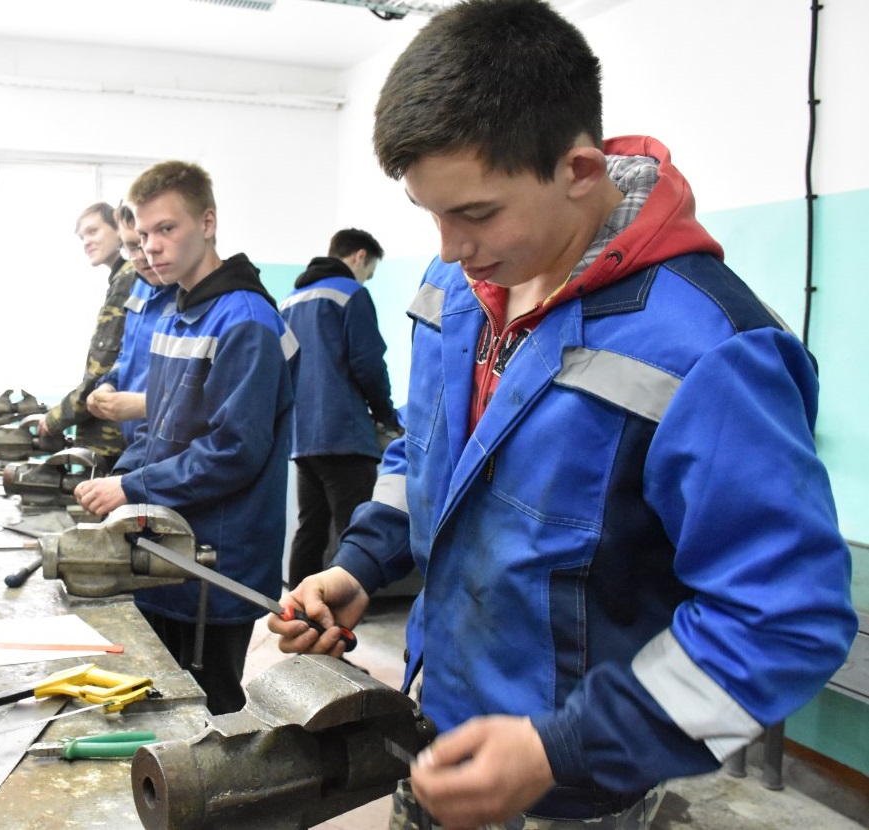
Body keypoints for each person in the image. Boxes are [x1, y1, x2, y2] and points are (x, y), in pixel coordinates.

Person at [267, 2, 857, 828]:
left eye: (476, 213)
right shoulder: (454, 289)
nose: (447, 247)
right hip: (434, 731)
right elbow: (425, 456)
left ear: (578, 169)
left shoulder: (707, 351)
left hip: (578, 792)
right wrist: (359, 565)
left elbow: (783, 617)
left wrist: (566, 748)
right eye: (430, 213)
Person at [74, 161, 297, 715]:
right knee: (158, 699)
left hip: (213, 562)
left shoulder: (245, 321)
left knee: (205, 708)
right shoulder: (178, 314)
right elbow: (162, 428)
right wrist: (117, 481)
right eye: (144, 233)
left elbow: (234, 452)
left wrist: (133, 488)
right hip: (168, 546)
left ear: (208, 223)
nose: (151, 246)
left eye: (167, 229)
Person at [279, 228, 397, 589]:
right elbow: (368, 363)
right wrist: (386, 416)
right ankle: (348, 607)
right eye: (370, 272)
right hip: (345, 436)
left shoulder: (289, 301)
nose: (366, 279)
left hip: (303, 439)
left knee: (310, 529)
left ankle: (296, 607)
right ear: (360, 257)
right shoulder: (351, 293)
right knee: (356, 531)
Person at [39, 202, 135, 466]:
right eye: (82, 237)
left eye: (93, 231)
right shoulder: (121, 279)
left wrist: (54, 419)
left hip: (113, 440)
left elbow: (101, 370)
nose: (86, 242)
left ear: (118, 228)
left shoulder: (128, 279)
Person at [86, 204, 178, 447]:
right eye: (131, 247)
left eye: (143, 242)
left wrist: (142, 405)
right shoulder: (140, 286)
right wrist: (109, 384)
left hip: (167, 446)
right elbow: (127, 355)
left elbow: (204, 404)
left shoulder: (189, 296)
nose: (141, 255)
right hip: (137, 444)